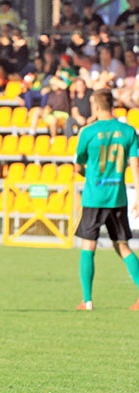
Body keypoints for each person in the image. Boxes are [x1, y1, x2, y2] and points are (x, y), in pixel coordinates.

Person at [74, 88, 139, 311]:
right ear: (112, 104)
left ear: (95, 105)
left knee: (88, 245)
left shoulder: (87, 132)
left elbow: (78, 166)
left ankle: (88, 300)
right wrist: (138, 196)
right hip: (117, 197)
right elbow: (136, 168)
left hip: (94, 197)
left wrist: (86, 173)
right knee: (122, 246)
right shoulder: (128, 131)